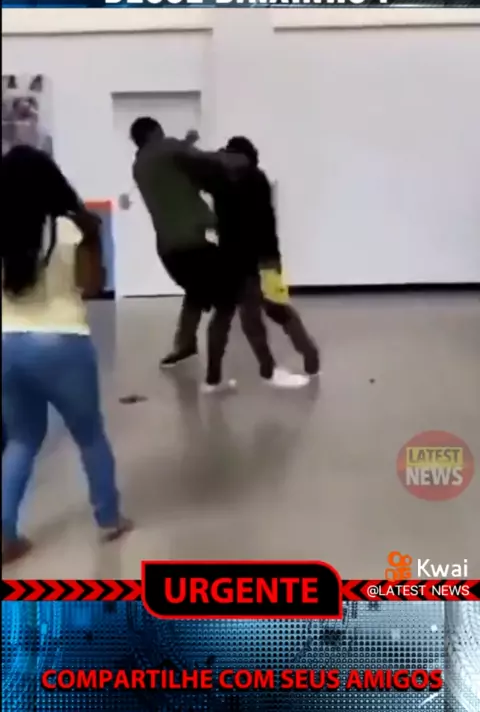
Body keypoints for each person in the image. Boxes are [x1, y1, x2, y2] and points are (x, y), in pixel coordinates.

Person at [2, 146, 130, 564]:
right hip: (61, 341)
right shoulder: (71, 228)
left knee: (21, 438)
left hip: (6, 344)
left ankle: (4, 535)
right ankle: (109, 518)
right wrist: (94, 241)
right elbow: (91, 287)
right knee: (89, 434)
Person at [131, 118, 308, 390]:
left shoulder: (140, 166)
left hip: (170, 252)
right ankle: (266, 370)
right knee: (239, 302)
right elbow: (198, 158)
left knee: (201, 293)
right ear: (155, 132)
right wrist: (233, 158)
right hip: (198, 247)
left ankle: (193, 354)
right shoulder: (172, 151)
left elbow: (179, 162)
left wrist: (188, 144)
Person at [224, 136, 320, 377]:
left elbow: (259, 223)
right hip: (247, 261)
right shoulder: (236, 180)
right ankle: (268, 363)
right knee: (251, 317)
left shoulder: (253, 180)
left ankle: (307, 351)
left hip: (260, 258)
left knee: (275, 310)